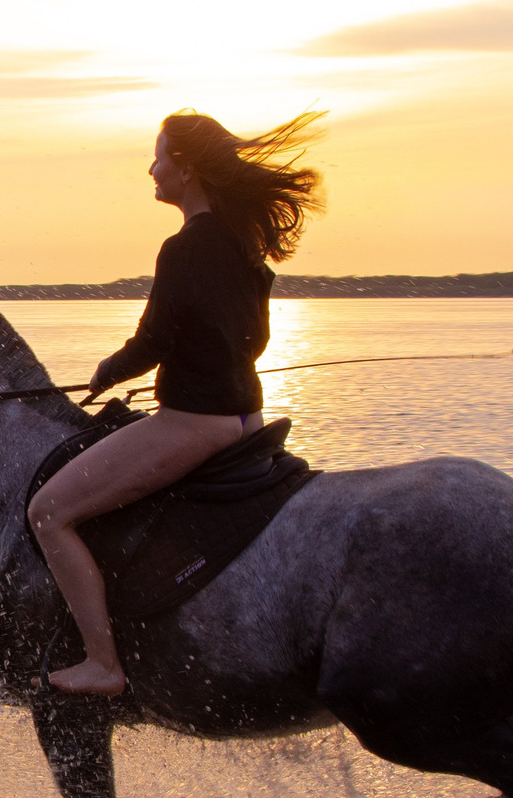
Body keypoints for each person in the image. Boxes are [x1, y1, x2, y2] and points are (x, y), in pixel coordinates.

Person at [27, 109, 324, 696]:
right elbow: (251, 342)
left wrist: (108, 372)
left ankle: (103, 664)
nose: (152, 168)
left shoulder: (184, 247)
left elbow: (153, 341)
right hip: (247, 420)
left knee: (49, 513)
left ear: (186, 170)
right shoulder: (244, 246)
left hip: (194, 424)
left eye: (160, 157)